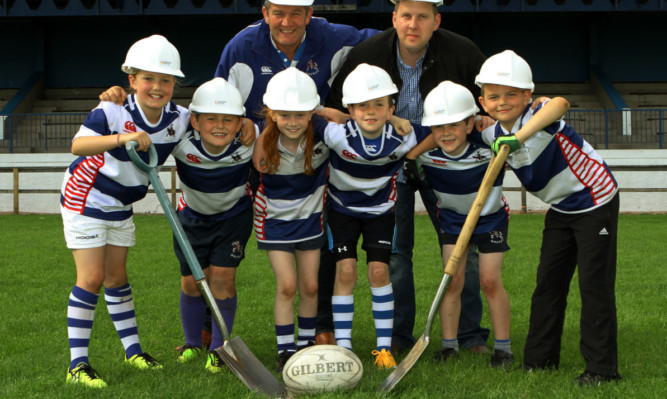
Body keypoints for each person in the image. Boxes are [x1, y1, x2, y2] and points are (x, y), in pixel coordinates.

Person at [323, 0, 491, 354]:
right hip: (388, 162)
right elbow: (338, 107)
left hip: (442, 156)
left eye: (423, 17)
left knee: (463, 250)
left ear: (436, 20)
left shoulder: (463, 52)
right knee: (396, 254)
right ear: (394, 18)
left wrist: (484, 119)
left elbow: (487, 103)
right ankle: (397, 339)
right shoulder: (367, 54)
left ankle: (470, 335)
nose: (413, 24)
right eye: (407, 16)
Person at [475, 50, 620, 385]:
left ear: (527, 95)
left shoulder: (539, 113)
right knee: (547, 285)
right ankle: (540, 361)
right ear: (483, 101)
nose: (503, 102)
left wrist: (518, 138)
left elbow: (561, 103)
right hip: (562, 208)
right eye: (494, 96)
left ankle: (602, 370)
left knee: (593, 286)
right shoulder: (491, 134)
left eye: (512, 94)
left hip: (594, 200)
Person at [61, 35, 190, 388]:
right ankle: (78, 365)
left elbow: (211, 127)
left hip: (121, 204)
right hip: (86, 198)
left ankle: (133, 351)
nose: (157, 87)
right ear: (131, 80)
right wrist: (123, 138)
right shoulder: (112, 111)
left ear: (175, 84)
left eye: (166, 80)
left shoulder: (179, 119)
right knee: (91, 278)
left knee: (117, 278)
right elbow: (78, 145)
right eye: (148, 78)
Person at [405, 81, 514, 368]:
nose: (445, 133)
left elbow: (520, 126)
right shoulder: (427, 150)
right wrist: (413, 156)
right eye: (438, 127)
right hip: (452, 220)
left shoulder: (488, 140)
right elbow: (399, 128)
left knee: (490, 280)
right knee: (451, 282)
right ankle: (449, 346)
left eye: (454, 125)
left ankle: (503, 349)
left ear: (469, 123)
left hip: (490, 218)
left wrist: (484, 120)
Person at [170, 78, 257, 373]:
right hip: (191, 220)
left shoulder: (248, 145)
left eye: (229, 119)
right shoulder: (181, 142)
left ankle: (220, 348)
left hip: (233, 218)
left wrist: (254, 127)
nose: (219, 126)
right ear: (194, 120)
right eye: (211, 119)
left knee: (222, 280)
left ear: (239, 122)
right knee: (191, 282)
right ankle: (193, 343)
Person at [251, 68, 331, 372]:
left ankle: (307, 346)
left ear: (311, 113)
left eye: (300, 115)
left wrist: (326, 112)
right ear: (272, 114)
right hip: (275, 223)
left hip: (311, 219)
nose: (293, 122)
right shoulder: (261, 140)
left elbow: (352, 122)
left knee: (310, 286)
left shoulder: (324, 137)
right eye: (285, 115)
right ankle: (285, 350)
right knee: (287, 285)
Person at [214, 0, 379, 123]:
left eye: (295, 13)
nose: (286, 23)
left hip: (316, 148)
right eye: (278, 13)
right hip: (259, 148)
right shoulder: (240, 49)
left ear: (308, 15)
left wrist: (348, 121)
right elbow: (217, 107)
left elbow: (390, 39)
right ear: (266, 14)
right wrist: (246, 126)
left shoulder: (331, 37)